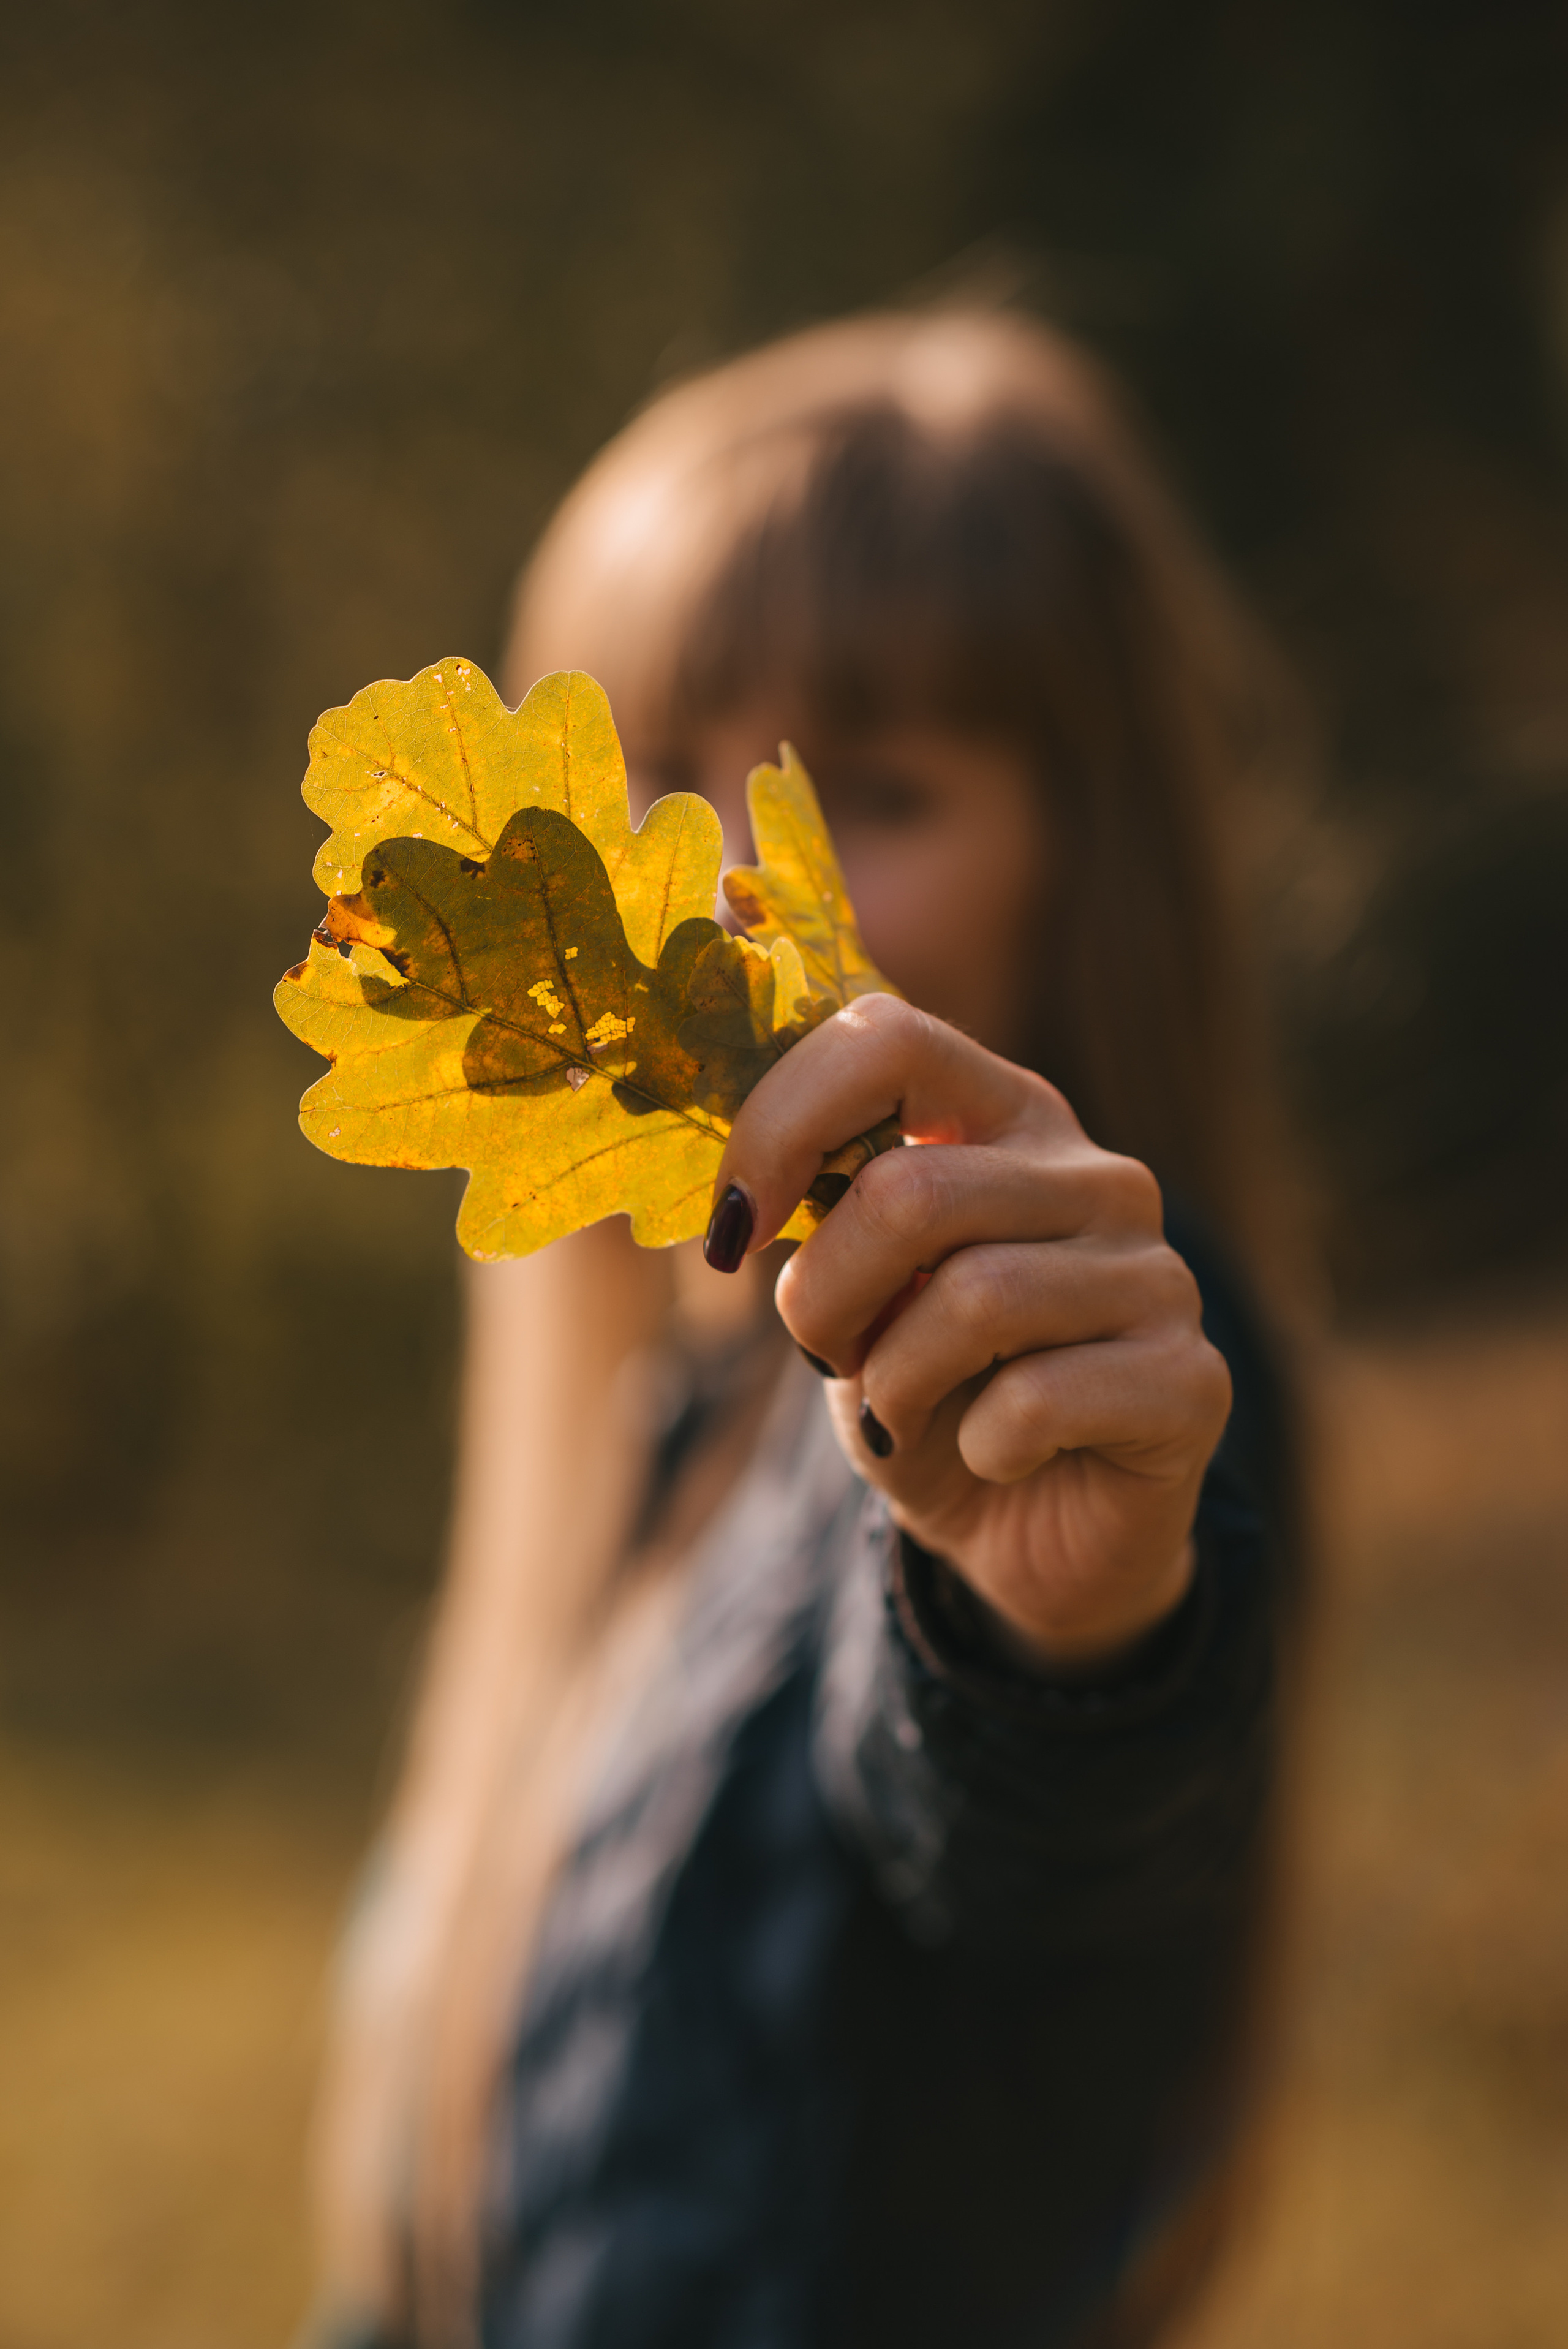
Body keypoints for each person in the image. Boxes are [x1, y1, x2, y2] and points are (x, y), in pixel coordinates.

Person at [306, 308, 1299, 2349]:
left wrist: (1075, 1631)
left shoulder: (1088, 1376)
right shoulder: (681, 1411)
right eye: (661, 777)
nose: (739, 882)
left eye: (872, 789)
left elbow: (1039, 1842)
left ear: (1081, 870)